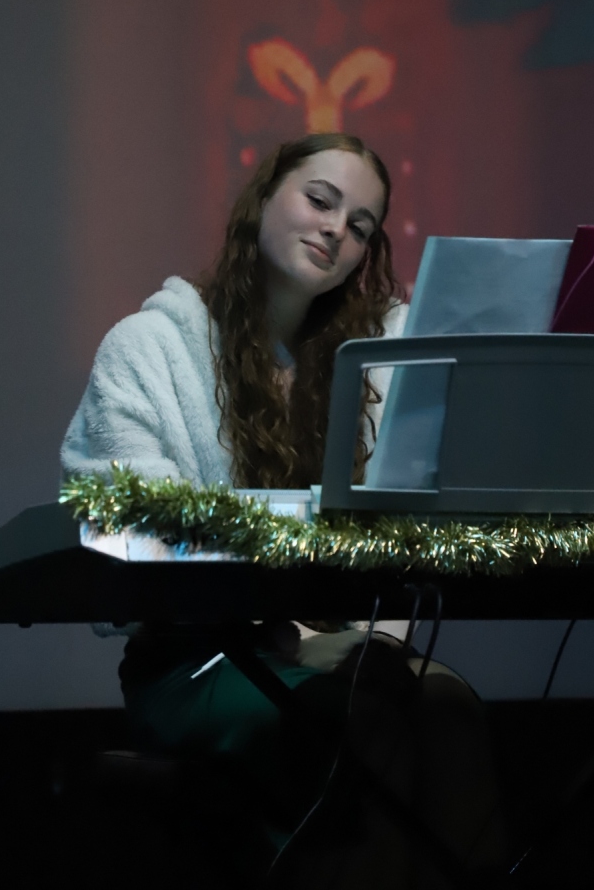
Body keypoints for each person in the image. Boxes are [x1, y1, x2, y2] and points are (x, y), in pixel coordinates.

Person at [62, 133, 504, 888]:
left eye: (360, 225)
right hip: (201, 661)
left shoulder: (377, 358)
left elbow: (408, 517)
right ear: (263, 197)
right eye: (320, 200)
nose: (336, 230)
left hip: (352, 653)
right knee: (360, 718)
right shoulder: (150, 347)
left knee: (446, 706)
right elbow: (128, 525)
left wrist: (363, 639)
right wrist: (292, 637)